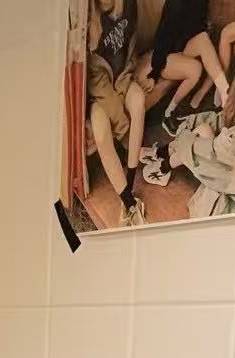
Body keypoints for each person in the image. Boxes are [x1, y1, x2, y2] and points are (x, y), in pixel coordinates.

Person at [144, 36, 235, 215]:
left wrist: (186, 139)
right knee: (206, 125)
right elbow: (220, 123)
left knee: (200, 135)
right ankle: (164, 155)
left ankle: (164, 164)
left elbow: (214, 156)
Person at [87, 0, 148, 225]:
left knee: (139, 101)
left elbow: (131, 51)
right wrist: (121, 123)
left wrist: (127, 79)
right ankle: (129, 203)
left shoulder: (129, 5)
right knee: (102, 133)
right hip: (98, 93)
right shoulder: (89, 20)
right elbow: (95, 80)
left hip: (122, 79)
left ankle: (129, 186)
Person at [137, 0, 230, 134]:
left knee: (204, 38)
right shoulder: (176, 3)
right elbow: (162, 39)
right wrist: (154, 74)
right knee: (195, 68)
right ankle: (169, 113)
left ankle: (224, 91)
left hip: (183, 48)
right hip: (165, 57)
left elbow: (198, 29)